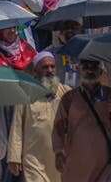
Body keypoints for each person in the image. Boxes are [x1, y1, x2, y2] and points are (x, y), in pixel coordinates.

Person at [51, 58, 111, 182]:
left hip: (104, 165)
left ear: (101, 71)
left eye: (94, 66)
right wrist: (58, 152)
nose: (90, 69)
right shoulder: (69, 98)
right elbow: (58, 128)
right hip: (77, 166)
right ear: (78, 69)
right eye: (85, 66)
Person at [9, 53, 69, 182]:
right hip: (34, 159)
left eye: (52, 67)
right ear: (35, 71)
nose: (50, 70)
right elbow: (17, 126)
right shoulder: (25, 95)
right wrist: (14, 156)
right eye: (45, 67)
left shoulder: (66, 93)